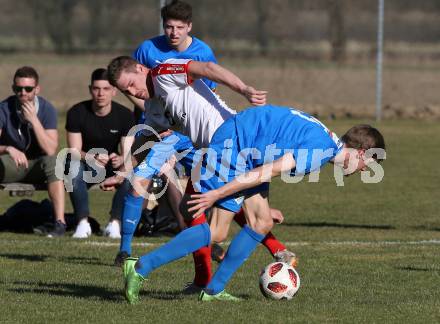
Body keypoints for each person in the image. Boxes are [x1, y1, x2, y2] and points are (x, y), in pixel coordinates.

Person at [121, 105, 386, 303]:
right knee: (218, 231)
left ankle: (213, 290)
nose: (364, 171)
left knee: (262, 222)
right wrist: (218, 194)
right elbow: (265, 173)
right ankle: (141, 266)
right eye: (368, 165)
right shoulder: (322, 150)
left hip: (247, 148)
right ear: (362, 152)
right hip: (236, 146)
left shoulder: (327, 141)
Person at [107, 56, 298, 300]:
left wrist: (244, 89)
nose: (133, 92)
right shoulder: (154, 108)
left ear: (141, 69)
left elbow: (206, 68)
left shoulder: (164, 72)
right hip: (224, 154)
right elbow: (162, 138)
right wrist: (133, 167)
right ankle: (151, 269)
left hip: (234, 141)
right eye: (126, 91)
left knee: (245, 220)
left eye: (132, 84)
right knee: (224, 228)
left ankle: (206, 286)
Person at [110, 0, 220, 278]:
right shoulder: (147, 49)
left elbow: (206, 97)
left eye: (179, 28)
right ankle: (124, 250)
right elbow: (132, 86)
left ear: (189, 27)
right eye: (168, 26)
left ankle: (205, 240)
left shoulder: (203, 52)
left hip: (191, 132)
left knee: (208, 187)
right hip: (158, 130)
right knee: (141, 182)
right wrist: (152, 119)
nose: (173, 32)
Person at [64, 68, 134, 238]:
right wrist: (92, 157)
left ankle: (114, 224)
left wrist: (120, 160)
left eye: (106, 89)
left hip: (110, 165)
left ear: (114, 91)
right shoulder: (77, 112)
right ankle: (82, 223)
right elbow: (74, 150)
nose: (101, 93)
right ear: (90, 90)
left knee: (131, 171)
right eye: (96, 89)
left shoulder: (125, 115)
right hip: (85, 164)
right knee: (71, 166)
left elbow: (128, 152)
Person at [0, 66, 66, 237]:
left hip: (39, 165)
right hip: (12, 164)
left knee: (54, 162)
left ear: (37, 89)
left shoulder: (47, 109)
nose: (23, 93)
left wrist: (34, 121)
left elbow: (51, 148)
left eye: (28, 89)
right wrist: (8, 148)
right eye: (18, 89)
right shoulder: (4, 109)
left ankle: (59, 223)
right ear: (13, 88)